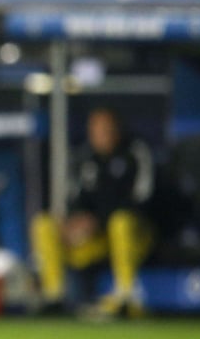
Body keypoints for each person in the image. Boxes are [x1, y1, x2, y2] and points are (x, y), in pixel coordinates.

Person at [30, 108, 154, 317]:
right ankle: (54, 295)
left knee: (120, 222)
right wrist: (73, 222)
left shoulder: (135, 153)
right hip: (98, 239)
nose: (100, 135)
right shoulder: (86, 159)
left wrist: (97, 221)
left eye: (105, 129)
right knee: (44, 223)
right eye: (95, 130)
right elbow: (76, 199)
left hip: (137, 235)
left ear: (117, 129)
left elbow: (143, 200)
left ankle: (126, 295)